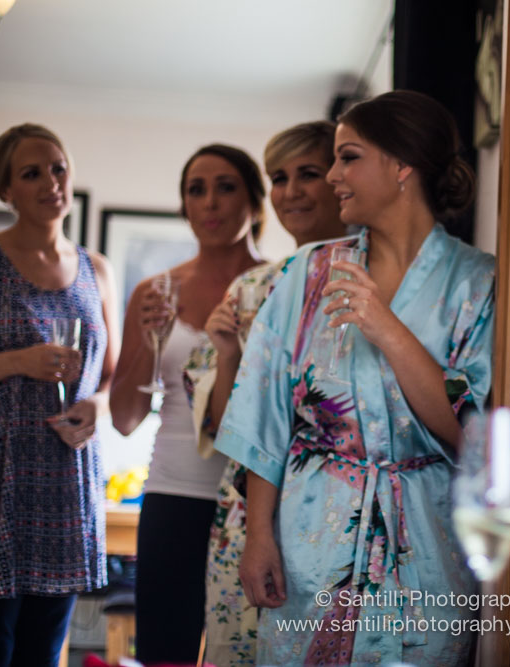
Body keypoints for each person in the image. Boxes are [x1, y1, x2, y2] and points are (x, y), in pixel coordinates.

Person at [214, 90, 496, 666]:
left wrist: (388, 329)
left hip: (428, 544)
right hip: (308, 539)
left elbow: (473, 434)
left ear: (401, 165)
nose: (333, 176)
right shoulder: (306, 274)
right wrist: (259, 535)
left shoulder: (478, 283)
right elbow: (264, 419)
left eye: (349, 157)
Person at [0, 123, 119, 666]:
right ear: (6, 191)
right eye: (32, 173)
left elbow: (112, 379)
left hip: (65, 478)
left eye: (58, 168)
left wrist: (95, 408)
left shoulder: (96, 270)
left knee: (44, 648)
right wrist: (18, 361)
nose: (52, 182)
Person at [181, 121, 347, 666]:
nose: (291, 191)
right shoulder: (250, 290)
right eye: (279, 177)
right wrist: (227, 354)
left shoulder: (375, 275)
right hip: (248, 512)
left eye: (309, 174)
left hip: (345, 507)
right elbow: (227, 430)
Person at [110, 144, 266, 664]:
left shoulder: (278, 285)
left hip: (255, 498)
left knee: (247, 650)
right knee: (164, 651)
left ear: (255, 201)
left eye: (226, 186)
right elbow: (125, 419)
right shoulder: (157, 291)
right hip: (173, 490)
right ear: (183, 206)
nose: (210, 202)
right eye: (195, 189)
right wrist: (147, 338)